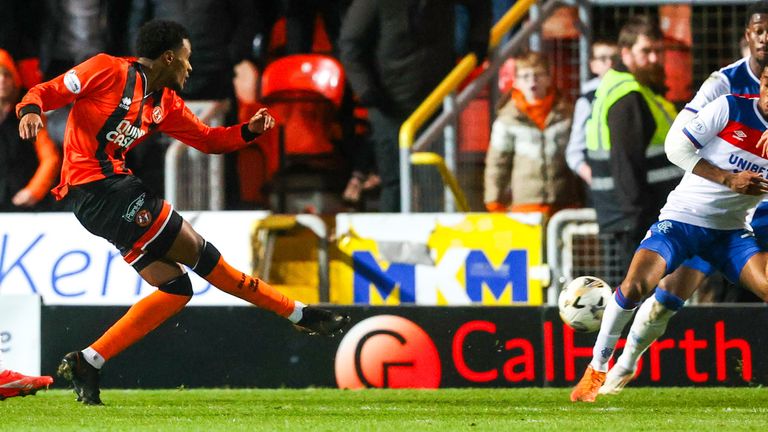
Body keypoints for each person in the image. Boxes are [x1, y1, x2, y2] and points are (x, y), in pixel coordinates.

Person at [17, 20, 350, 406]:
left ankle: (89, 360)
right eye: (187, 60)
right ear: (169, 57)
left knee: (176, 289)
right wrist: (30, 109)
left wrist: (249, 130)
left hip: (110, 201)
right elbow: (47, 90)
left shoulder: (165, 103)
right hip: (98, 191)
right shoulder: (107, 69)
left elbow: (208, 141)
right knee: (206, 260)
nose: (190, 69)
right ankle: (299, 315)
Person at [597, 1, 768, 396]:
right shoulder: (722, 86)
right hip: (708, 210)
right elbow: (681, 144)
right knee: (664, 301)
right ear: (748, 36)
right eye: (759, 30)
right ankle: (622, 365)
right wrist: (728, 179)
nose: (765, 38)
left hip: (753, 214)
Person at [339, 0, 491, 212]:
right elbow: (350, 44)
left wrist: (478, 42)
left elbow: (480, 7)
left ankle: (434, 242)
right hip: (389, 107)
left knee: (435, 184)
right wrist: (366, 89)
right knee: (394, 182)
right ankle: (393, 242)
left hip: (437, 102)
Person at [585, 16, 683, 287]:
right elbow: (625, 164)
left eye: (658, 51)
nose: (653, 59)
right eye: (646, 52)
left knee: (631, 298)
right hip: (633, 220)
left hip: (628, 216)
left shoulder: (627, 87)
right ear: (626, 53)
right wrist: (637, 221)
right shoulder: (628, 95)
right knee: (633, 298)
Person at [483, 51, 581, 216]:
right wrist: (494, 200)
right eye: (525, 76)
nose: (532, 81)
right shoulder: (507, 119)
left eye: (538, 75)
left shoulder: (567, 114)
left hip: (565, 202)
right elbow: (497, 164)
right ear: (515, 82)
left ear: (549, 78)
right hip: (526, 204)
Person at [0, 49, 60, 211]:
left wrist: (34, 191)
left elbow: (50, 158)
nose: (2, 80)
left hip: (26, 200)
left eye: (6, 74)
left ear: (14, 78)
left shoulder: (27, 110)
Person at [565, 40, 618, 186]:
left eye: (615, 58)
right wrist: (593, 178)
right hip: (603, 186)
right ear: (592, 65)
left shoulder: (631, 91)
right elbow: (574, 152)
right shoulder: (587, 100)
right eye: (603, 59)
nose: (610, 63)